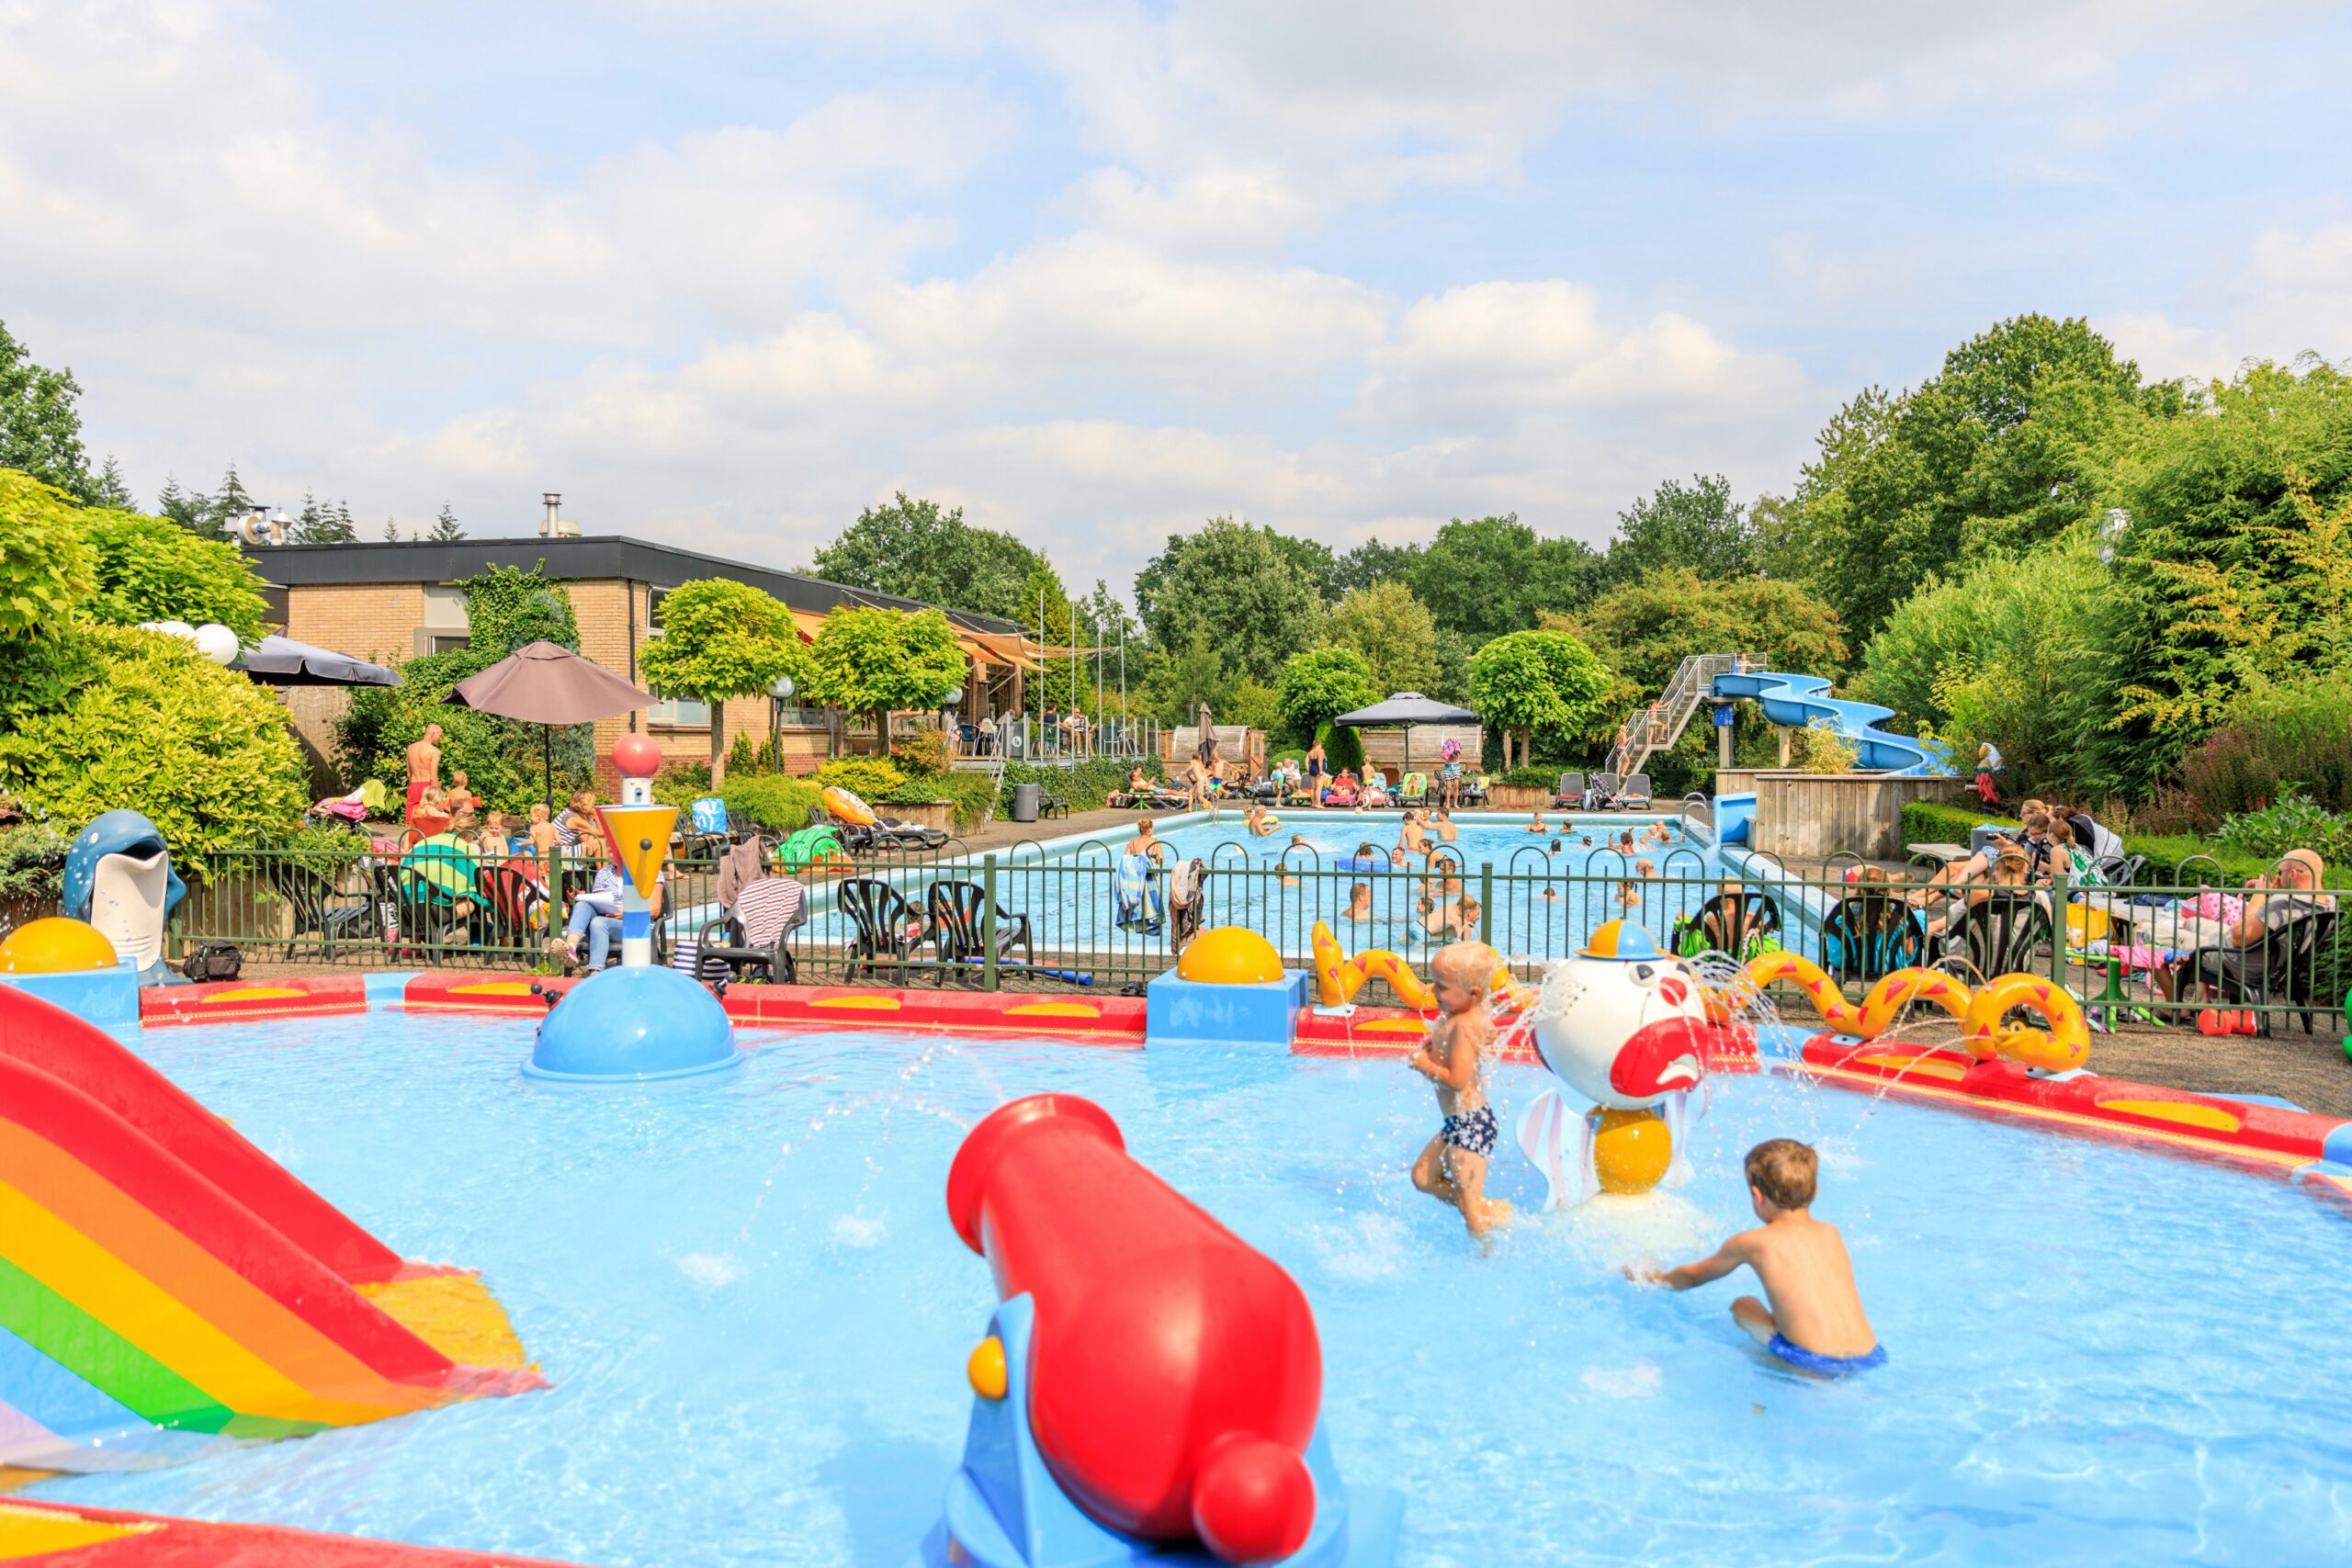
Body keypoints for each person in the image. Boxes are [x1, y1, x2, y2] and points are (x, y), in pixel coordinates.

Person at [1629, 1138, 1882, 1377]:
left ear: (1758, 1196)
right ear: (1815, 1192)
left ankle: (1775, 1365)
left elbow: (1691, 1278)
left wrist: (1650, 1277)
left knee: (1743, 1305)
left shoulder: (1751, 1243)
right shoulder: (1831, 1233)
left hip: (1810, 1361)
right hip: (1870, 1355)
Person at [1408, 942, 1511, 1236]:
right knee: (1423, 1177)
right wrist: (1437, 1047)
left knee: (1470, 1210)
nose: (1433, 990)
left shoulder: (1463, 1026)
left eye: (1441, 986)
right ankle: (1491, 1210)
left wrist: (1424, 1065)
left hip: (1471, 1124)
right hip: (1458, 1123)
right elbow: (1486, 1032)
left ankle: (1485, 1251)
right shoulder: (1461, 1016)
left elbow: (1457, 1080)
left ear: (1473, 993)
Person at [548, 854, 665, 973]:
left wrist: (627, 912)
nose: (611, 853)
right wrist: (586, 897)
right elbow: (599, 902)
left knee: (599, 922)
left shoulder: (651, 872)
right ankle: (570, 948)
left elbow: (655, 909)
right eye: (610, 850)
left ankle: (595, 972)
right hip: (604, 922)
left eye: (615, 849)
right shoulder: (604, 873)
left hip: (636, 926)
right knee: (582, 905)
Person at [403, 723, 443, 827]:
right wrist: (438, 793)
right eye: (440, 736)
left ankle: (412, 837)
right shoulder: (434, 751)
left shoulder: (411, 748)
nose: (440, 739)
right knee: (430, 819)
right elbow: (433, 777)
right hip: (428, 786)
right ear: (433, 734)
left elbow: (409, 774)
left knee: (412, 820)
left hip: (414, 785)